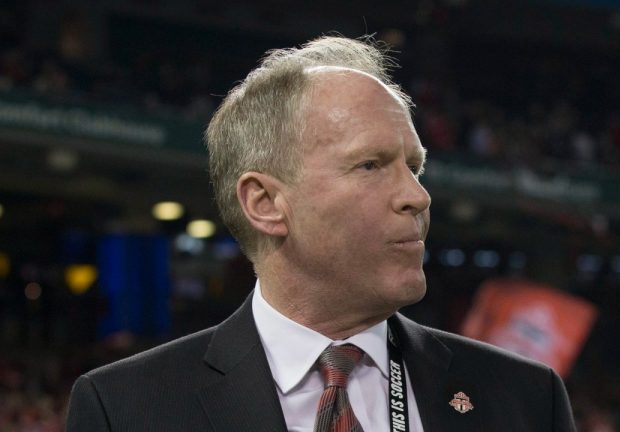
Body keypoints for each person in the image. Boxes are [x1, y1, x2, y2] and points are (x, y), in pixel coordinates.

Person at [65, 35, 577, 432]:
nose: (417, 197)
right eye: (371, 165)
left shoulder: (526, 398)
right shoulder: (127, 408)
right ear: (266, 204)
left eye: (414, 168)